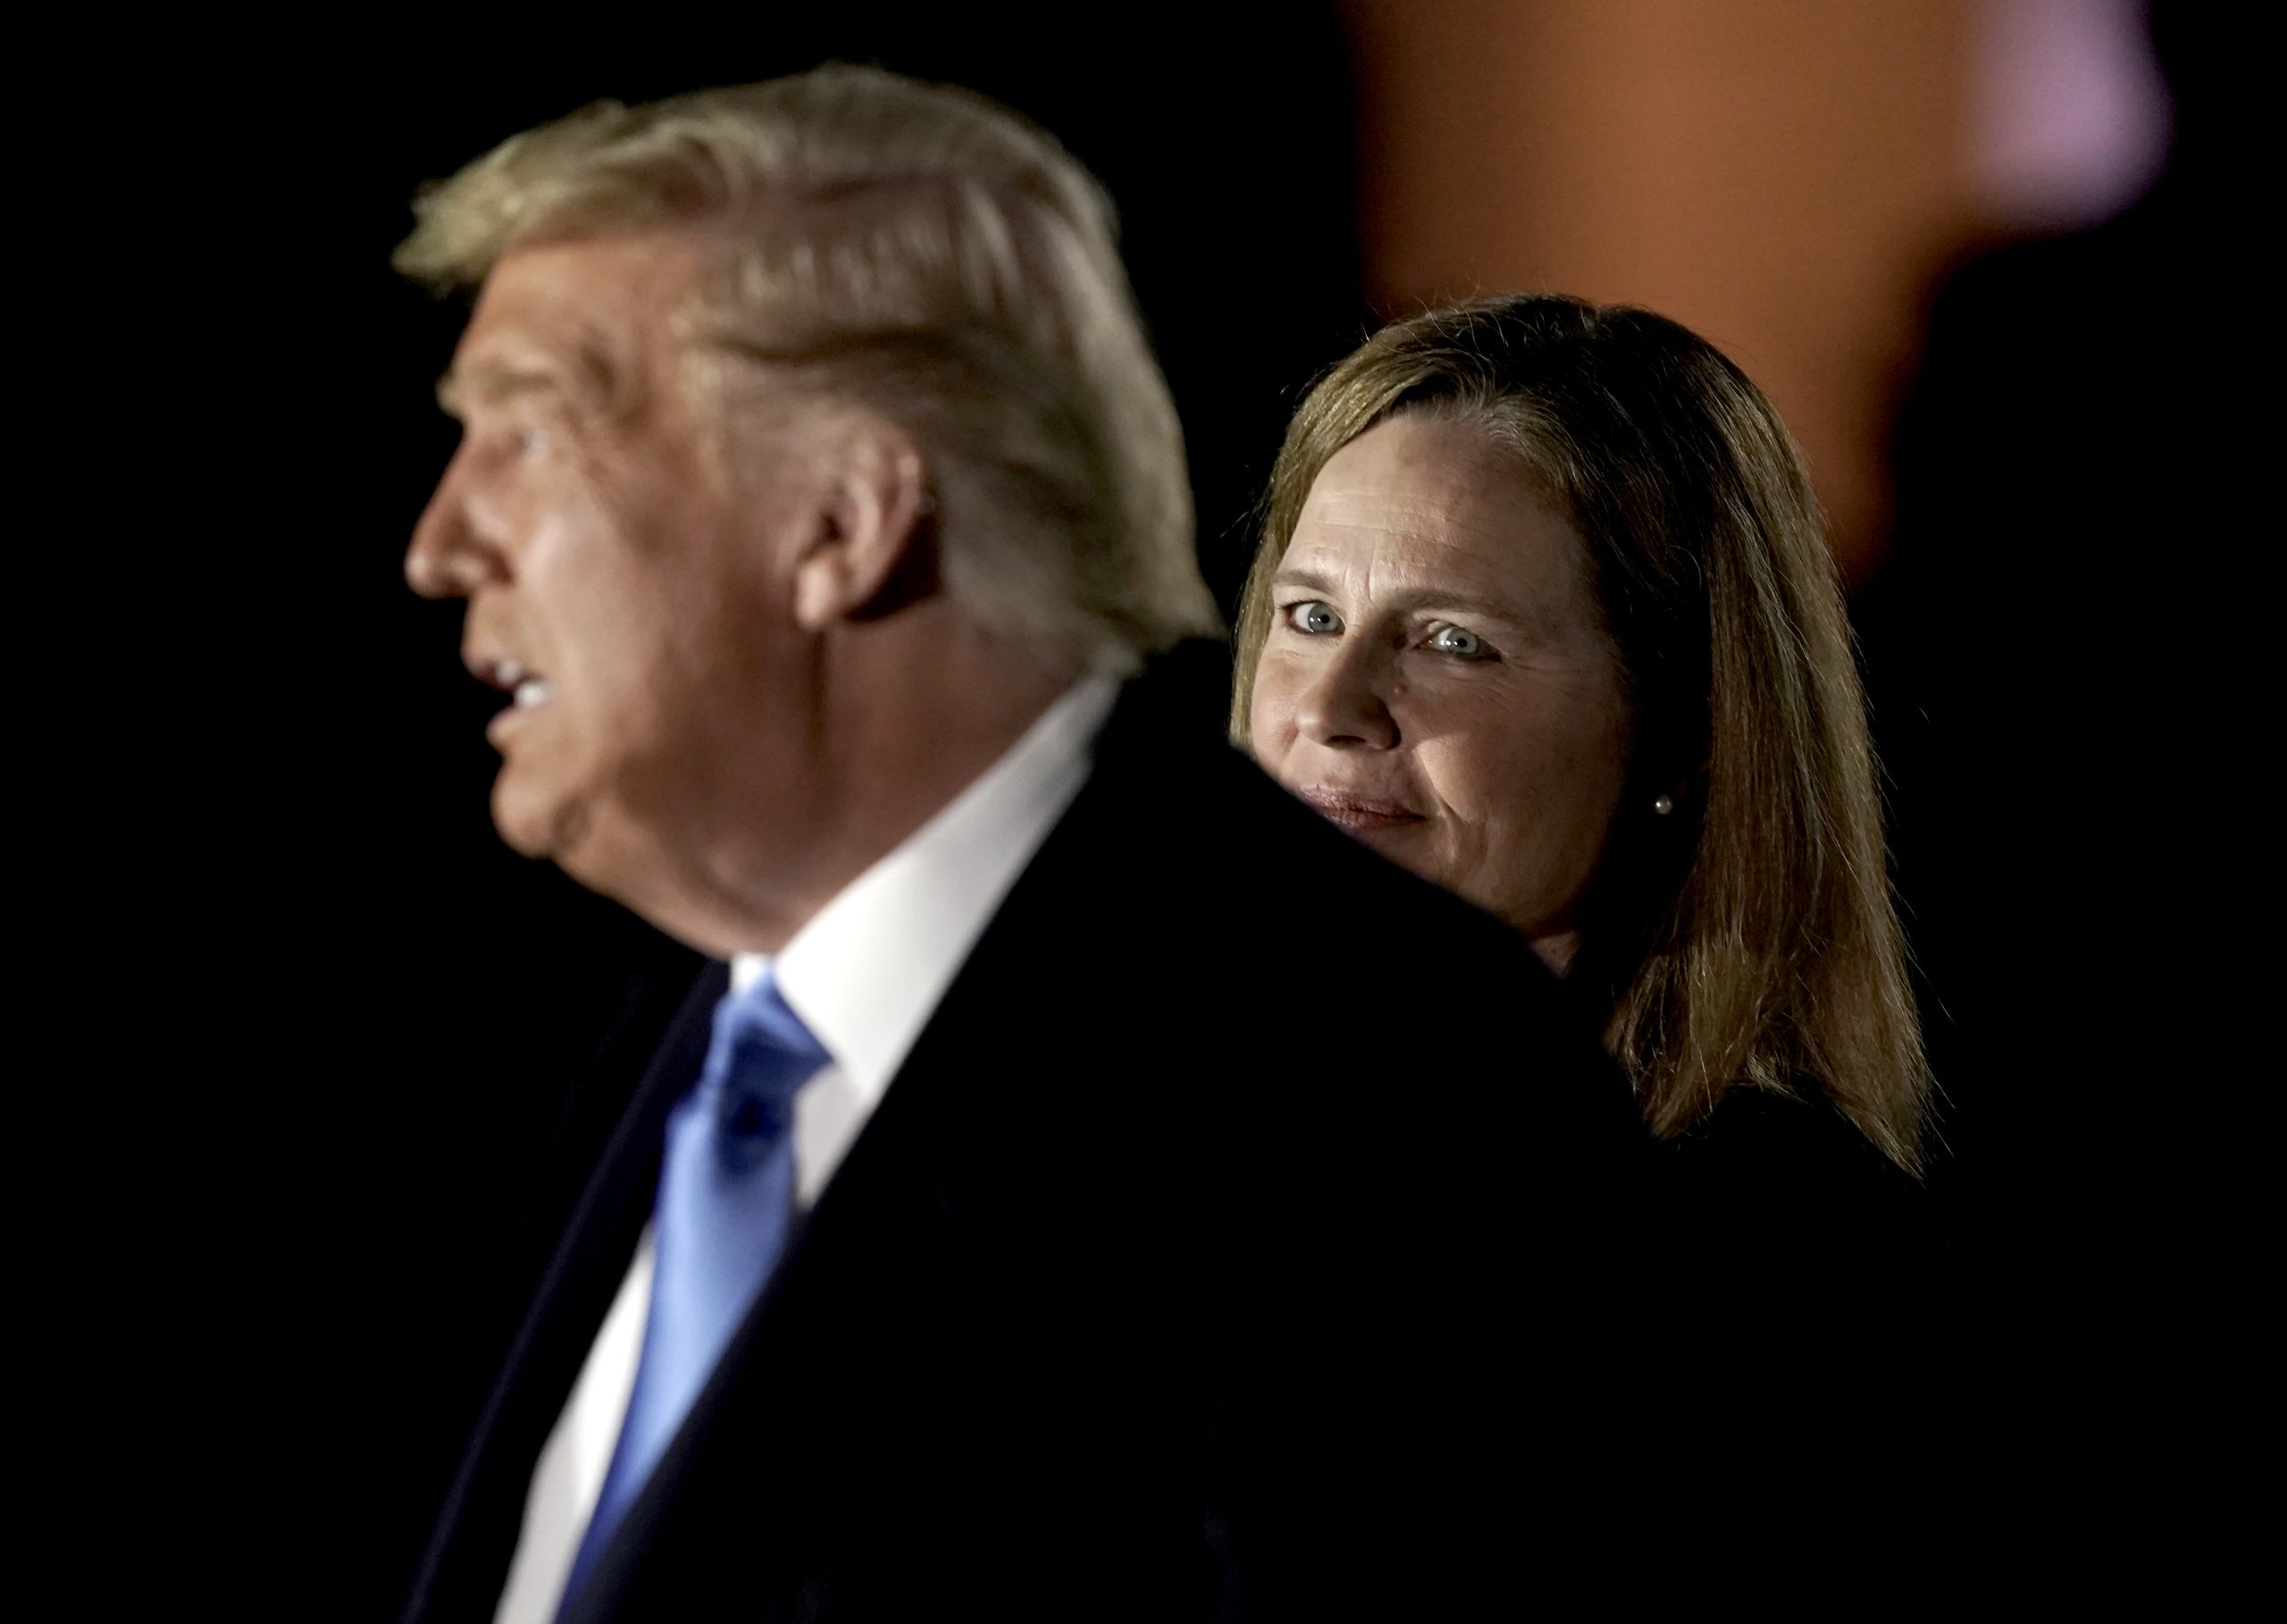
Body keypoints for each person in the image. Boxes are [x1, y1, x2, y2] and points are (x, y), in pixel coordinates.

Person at [395, 72, 1658, 1622]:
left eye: (528, 431)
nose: (444, 540)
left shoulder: (1387, 1095)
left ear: (843, 523)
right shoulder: (601, 1041)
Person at [1234, 294, 1942, 1573]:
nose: (1332, 709)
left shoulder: (1771, 1275)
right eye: (1310, 617)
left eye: (1453, 642)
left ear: (1678, 730)